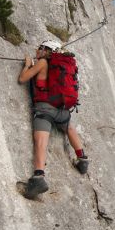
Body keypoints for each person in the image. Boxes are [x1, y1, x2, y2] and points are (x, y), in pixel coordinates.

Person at [18, 40, 89, 198]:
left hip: (45, 108)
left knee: (41, 140)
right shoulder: (63, 66)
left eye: (40, 48)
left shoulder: (43, 63)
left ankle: (38, 177)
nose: (37, 50)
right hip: (62, 110)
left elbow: (23, 79)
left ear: (45, 50)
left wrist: (28, 65)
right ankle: (82, 158)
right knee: (69, 128)